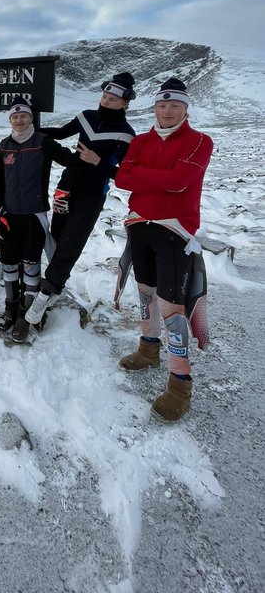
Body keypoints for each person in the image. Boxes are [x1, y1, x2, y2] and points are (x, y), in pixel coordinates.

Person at [114, 77, 213, 421]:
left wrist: (146, 176)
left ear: (185, 109)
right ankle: (148, 349)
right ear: (154, 108)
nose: (167, 111)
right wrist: (159, 177)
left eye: (174, 105)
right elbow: (122, 179)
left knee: (173, 305)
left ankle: (179, 383)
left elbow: (179, 182)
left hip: (174, 229)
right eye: (161, 105)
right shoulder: (141, 140)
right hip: (139, 224)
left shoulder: (200, 141)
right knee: (145, 294)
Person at [25, 72, 137, 329]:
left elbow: (126, 176)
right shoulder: (86, 117)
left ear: (125, 103)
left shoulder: (125, 134)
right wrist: (28, 129)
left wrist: (98, 163)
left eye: (113, 99)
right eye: (105, 96)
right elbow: (61, 133)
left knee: (72, 243)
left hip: (91, 195)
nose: (107, 101)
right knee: (56, 237)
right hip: (65, 188)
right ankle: (56, 286)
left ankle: (45, 293)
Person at [0, 96, 76, 342]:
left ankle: (25, 314)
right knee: (8, 263)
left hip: (34, 215)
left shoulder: (42, 142)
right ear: (10, 119)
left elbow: (70, 161)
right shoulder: (4, 146)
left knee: (30, 263)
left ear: (31, 118)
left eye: (24, 116)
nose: (19, 120)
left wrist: (87, 164)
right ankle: (10, 307)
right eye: (15, 117)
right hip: (8, 216)